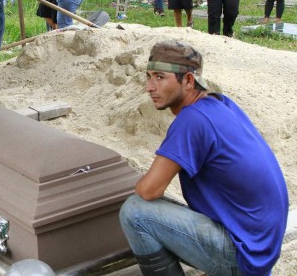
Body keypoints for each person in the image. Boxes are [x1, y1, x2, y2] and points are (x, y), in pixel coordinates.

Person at [119, 40, 288, 276]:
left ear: (188, 80)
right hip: (261, 246)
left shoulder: (192, 120)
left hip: (244, 255)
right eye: (148, 76)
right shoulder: (221, 104)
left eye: (160, 77)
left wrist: (137, 184)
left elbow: (149, 190)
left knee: (135, 211)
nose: (149, 86)